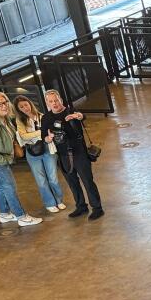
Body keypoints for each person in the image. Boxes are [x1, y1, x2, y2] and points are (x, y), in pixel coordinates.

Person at [0, 93, 42, 226]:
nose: (4, 106)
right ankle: (22, 217)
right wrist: (3, 161)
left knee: (2, 186)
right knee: (9, 186)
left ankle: (4, 214)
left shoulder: (4, 119)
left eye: (5, 102)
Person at [41, 89, 103, 220]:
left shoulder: (70, 111)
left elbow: (81, 116)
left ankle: (97, 208)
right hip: (63, 155)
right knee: (72, 182)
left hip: (79, 152)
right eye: (51, 101)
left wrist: (78, 116)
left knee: (87, 181)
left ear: (61, 100)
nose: (54, 103)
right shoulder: (46, 118)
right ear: (47, 103)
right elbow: (43, 137)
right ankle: (81, 206)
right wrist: (49, 138)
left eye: (56, 100)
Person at [13, 95, 65, 214]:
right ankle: (50, 203)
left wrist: (37, 134)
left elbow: (50, 131)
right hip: (32, 151)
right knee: (41, 180)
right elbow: (24, 136)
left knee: (53, 178)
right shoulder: (20, 121)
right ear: (18, 109)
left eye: (26, 105)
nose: (25, 108)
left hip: (47, 148)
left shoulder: (42, 116)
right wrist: (41, 132)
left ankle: (59, 200)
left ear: (30, 104)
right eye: (21, 107)